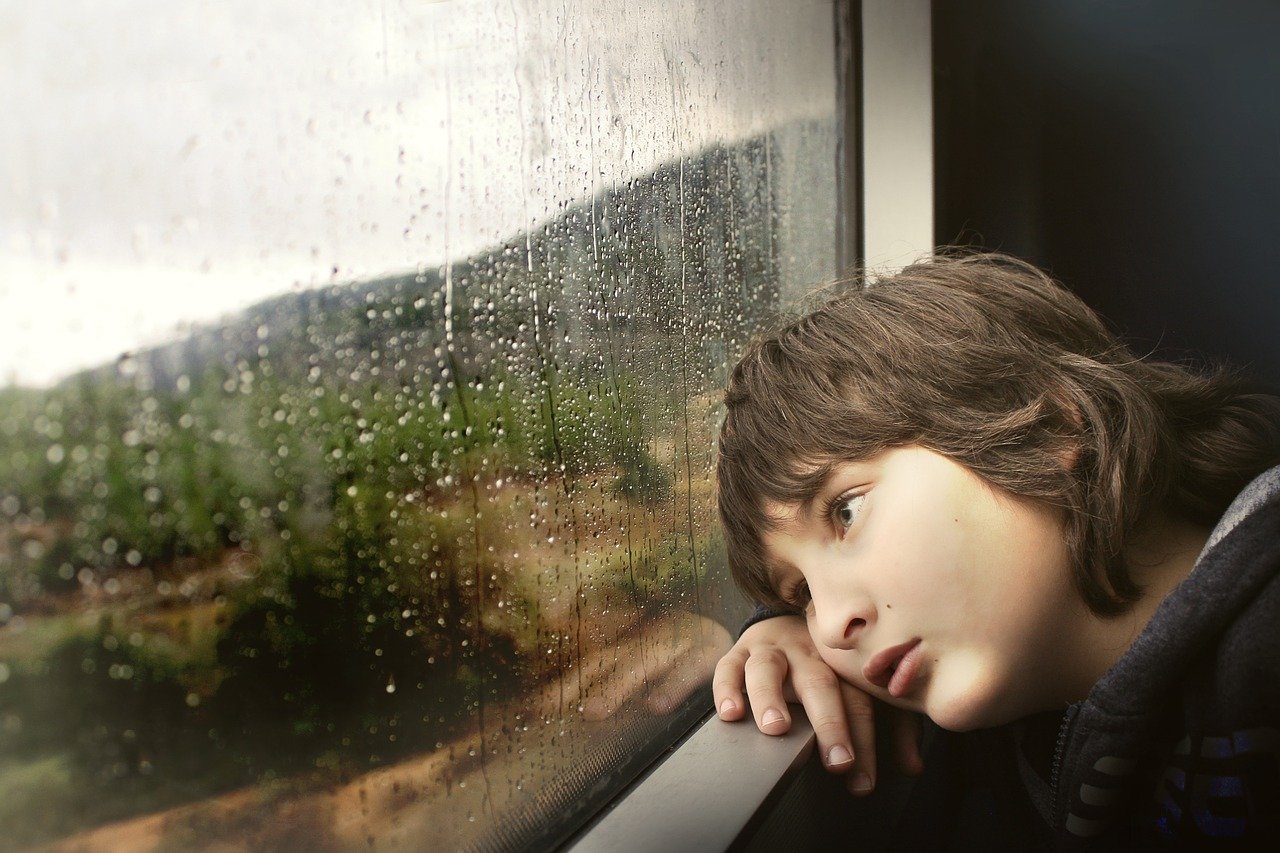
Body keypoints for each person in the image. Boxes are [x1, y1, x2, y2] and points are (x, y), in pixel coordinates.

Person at [710, 252, 1280, 848]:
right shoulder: (996, 719)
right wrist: (777, 631)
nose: (829, 625)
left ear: (1048, 425)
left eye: (846, 511)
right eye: (801, 591)